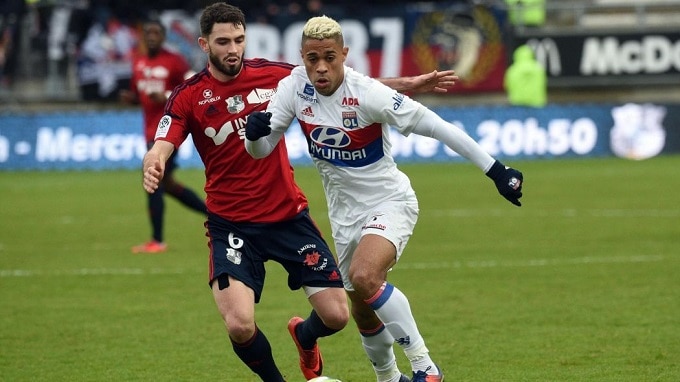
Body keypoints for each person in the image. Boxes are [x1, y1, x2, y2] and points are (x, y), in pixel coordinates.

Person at [140, 3, 459, 381]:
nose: (233, 49)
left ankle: (304, 335)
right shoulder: (189, 95)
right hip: (233, 225)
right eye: (223, 41)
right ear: (204, 44)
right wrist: (155, 159)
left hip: (288, 216)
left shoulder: (277, 76)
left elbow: (344, 85)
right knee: (240, 325)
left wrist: (409, 85)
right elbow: (165, 138)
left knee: (338, 315)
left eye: (239, 40)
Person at [245, 15, 524, 382]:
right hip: (344, 218)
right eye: (313, 58)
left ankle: (425, 366)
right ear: (302, 58)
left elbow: (436, 126)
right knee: (362, 310)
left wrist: (497, 171)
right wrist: (253, 136)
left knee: (365, 275)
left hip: (390, 202)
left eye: (330, 56)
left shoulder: (368, 93)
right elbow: (261, 150)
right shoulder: (294, 88)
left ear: (345, 54)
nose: (321, 67)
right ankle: (389, 377)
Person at [121, 19, 207, 254]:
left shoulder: (175, 61)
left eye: (156, 33)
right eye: (147, 32)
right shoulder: (137, 62)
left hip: (170, 131)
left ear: (163, 36)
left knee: (153, 180)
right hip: (149, 129)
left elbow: (192, 91)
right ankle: (215, 216)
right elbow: (143, 96)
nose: (151, 36)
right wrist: (133, 99)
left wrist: (167, 95)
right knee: (167, 184)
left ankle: (157, 241)